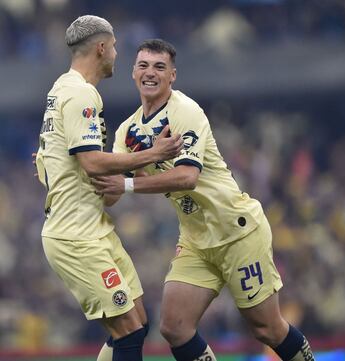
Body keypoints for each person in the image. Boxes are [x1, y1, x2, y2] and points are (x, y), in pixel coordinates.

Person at [92, 39, 316, 361]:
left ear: (172, 76)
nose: (150, 73)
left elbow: (186, 177)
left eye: (159, 67)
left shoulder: (184, 111)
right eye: (143, 65)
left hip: (236, 230)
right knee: (174, 326)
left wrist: (126, 183)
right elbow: (113, 189)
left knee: (267, 329)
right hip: (196, 238)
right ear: (133, 73)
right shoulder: (127, 130)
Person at [35, 18, 183, 361]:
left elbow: (50, 154)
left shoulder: (61, 88)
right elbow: (89, 162)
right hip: (76, 234)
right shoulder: (81, 94)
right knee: (128, 329)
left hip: (93, 227)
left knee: (138, 323)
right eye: (115, 47)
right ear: (101, 48)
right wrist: (154, 154)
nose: (117, 55)